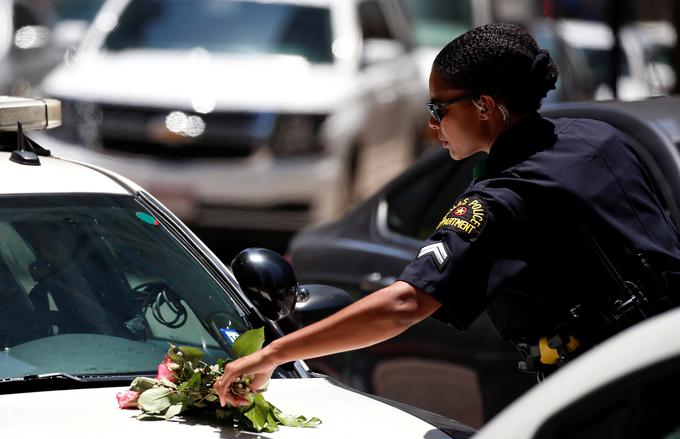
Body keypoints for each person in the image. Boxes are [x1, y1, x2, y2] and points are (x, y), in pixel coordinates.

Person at [214, 23, 680, 406]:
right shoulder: (601, 138)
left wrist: (272, 354)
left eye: (438, 107)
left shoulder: (503, 198)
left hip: (607, 397)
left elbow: (404, 304)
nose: (430, 125)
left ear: (486, 107)